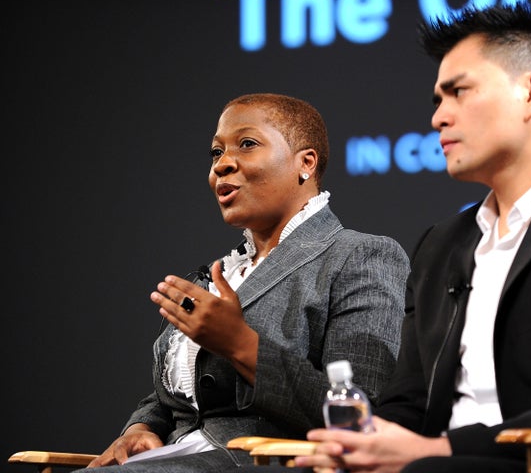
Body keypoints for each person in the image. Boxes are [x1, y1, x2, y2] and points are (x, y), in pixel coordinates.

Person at [285, 1, 531, 473]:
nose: (439, 117)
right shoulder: (441, 245)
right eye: (437, 100)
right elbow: (407, 406)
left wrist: (435, 454)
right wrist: (360, 449)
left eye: (458, 92)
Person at [78, 93, 410, 472]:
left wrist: (241, 345)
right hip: (176, 457)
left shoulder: (359, 256)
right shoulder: (224, 273)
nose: (222, 165)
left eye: (247, 145)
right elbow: (185, 394)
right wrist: (141, 426)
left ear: (306, 163)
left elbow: (359, 415)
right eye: (215, 152)